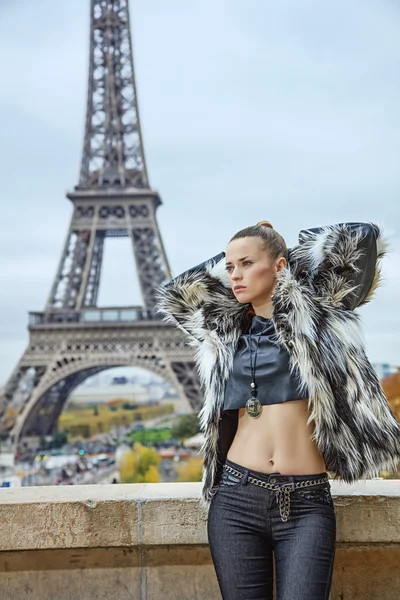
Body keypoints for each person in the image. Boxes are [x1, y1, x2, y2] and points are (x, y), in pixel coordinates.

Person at [155, 220, 400, 600]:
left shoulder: (320, 316)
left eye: (247, 264)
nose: (234, 274)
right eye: (230, 266)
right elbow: (176, 293)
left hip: (306, 503)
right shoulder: (224, 333)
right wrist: (244, 252)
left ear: (281, 266)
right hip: (236, 498)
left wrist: (286, 249)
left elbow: (362, 237)